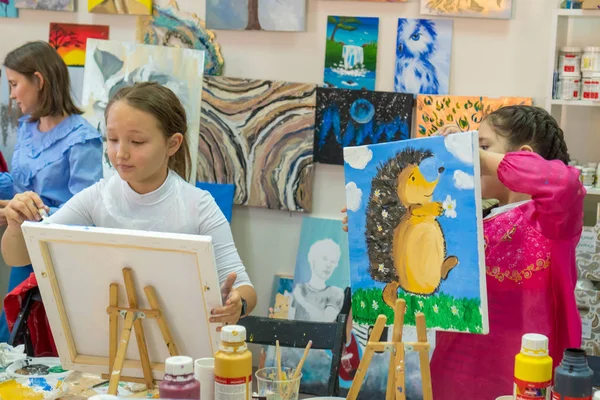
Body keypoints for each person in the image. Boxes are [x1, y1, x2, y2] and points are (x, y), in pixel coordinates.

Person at [343, 105, 583, 398]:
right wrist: (369, 227)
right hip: (451, 379)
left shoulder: (551, 220)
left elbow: (566, 181)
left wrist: (478, 158)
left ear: (524, 156)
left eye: (483, 144)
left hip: (524, 383)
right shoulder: (470, 225)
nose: (473, 155)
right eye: (476, 147)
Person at [1, 82, 256, 325]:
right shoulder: (98, 197)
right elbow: (20, 256)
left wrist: (237, 304)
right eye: (112, 139)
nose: (121, 153)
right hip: (109, 342)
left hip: (181, 352)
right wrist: (16, 225)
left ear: (173, 143)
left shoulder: (198, 206)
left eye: (137, 142)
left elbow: (244, 288)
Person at [0, 41, 102, 341]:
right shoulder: (28, 127)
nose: (11, 94)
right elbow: (19, 182)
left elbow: (86, 214)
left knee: (41, 340)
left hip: (58, 258)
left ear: (39, 80)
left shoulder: (83, 140)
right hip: (22, 248)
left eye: (15, 84)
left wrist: (26, 212)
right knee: (12, 331)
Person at [289, 238, 345, 322]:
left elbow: (325, 320)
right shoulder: (299, 289)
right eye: (324, 259)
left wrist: (301, 300)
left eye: (333, 262)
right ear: (312, 259)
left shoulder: (336, 293)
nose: (329, 265)